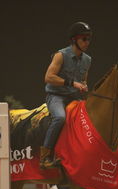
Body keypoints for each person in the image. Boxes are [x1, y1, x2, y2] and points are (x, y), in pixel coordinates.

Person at [41, 22, 92, 169]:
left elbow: (83, 81)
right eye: (84, 39)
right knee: (60, 118)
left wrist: (83, 86)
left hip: (74, 97)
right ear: (74, 39)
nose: (87, 42)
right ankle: (45, 157)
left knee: (88, 120)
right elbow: (48, 77)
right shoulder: (60, 55)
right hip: (56, 96)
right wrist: (72, 83)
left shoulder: (88, 60)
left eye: (89, 39)